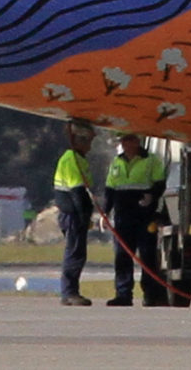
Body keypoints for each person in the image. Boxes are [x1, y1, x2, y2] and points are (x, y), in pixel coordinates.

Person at [105, 132, 168, 306]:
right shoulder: (117, 162)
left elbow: (160, 183)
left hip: (144, 215)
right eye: (123, 141)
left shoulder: (151, 160)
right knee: (122, 255)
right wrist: (105, 212)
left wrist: (152, 196)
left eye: (128, 140)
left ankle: (151, 294)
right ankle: (123, 294)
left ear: (137, 142)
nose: (125, 144)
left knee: (147, 255)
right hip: (123, 216)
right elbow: (110, 189)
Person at [53, 122, 96, 306]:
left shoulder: (79, 158)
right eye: (86, 140)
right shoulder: (72, 159)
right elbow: (77, 192)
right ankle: (69, 292)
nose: (90, 145)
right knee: (75, 254)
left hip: (74, 214)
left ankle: (71, 291)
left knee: (78, 253)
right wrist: (84, 216)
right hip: (73, 214)